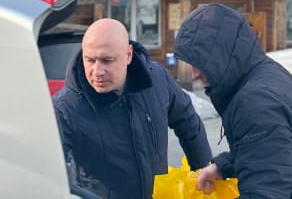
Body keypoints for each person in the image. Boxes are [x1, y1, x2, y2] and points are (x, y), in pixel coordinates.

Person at [174, 4, 292, 199]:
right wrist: (223, 166)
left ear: (225, 54)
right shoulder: (263, 74)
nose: (195, 74)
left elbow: (264, 193)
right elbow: (270, 151)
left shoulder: (256, 103)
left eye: (202, 61)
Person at [53, 18, 212, 199]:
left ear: (128, 55)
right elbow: (44, 171)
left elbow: (188, 121)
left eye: (107, 60)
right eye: (89, 60)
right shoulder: (65, 108)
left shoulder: (157, 80)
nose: (97, 71)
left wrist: (204, 173)